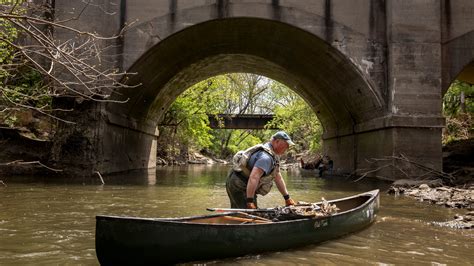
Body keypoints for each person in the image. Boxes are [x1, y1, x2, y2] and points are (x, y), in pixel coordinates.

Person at [226, 131, 297, 209]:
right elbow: (254, 177)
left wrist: (287, 198)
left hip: (238, 180)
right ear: (277, 142)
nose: (287, 148)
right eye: (286, 145)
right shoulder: (265, 158)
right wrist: (249, 201)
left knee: (242, 212)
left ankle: (233, 219)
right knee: (247, 214)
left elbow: (278, 177)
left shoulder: (273, 154)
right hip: (239, 184)